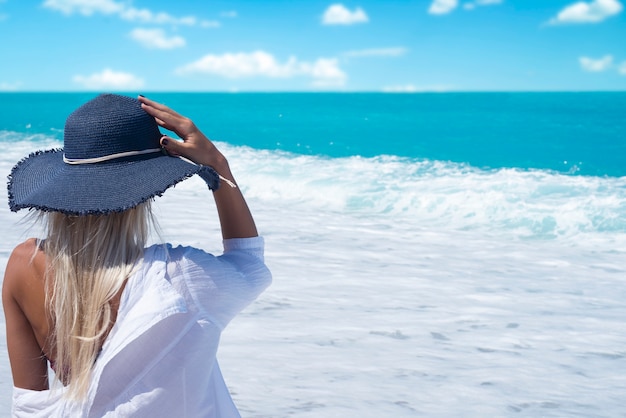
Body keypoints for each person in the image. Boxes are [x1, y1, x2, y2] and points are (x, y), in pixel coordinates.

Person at [2, 94, 272, 417]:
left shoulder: (22, 267)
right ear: (141, 190)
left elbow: (29, 409)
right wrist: (217, 164)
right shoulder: (176, 279)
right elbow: (250, 267)